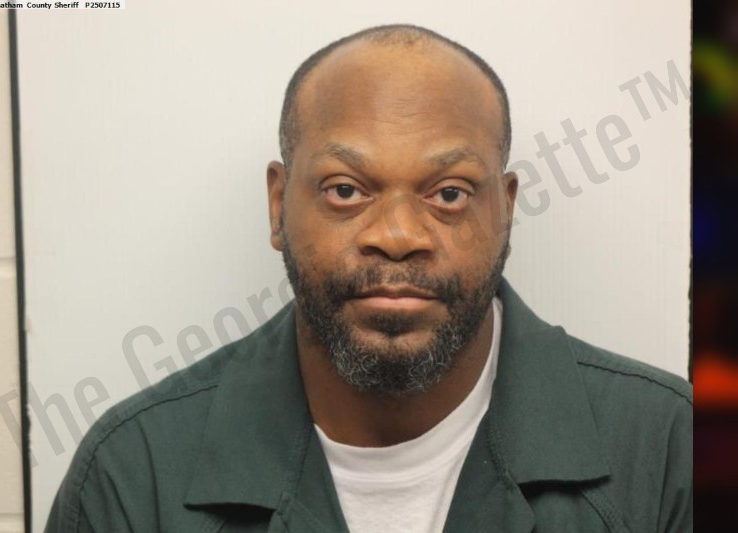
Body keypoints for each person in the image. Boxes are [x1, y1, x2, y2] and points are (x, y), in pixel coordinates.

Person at [46, 24, 692, 532]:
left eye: (449, 193)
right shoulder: (135, 470)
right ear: (278, 205)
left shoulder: (672, 449)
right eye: (346, 189)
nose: (398, 235)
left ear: (506, 209)